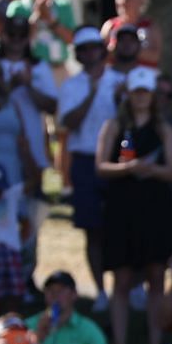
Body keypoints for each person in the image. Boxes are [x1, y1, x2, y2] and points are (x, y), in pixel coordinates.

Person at [58, 26, 118, 309]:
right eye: (85, 50)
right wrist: (91, 94)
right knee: (92, 229)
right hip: (84, 161)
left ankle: (126, 287)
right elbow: (68, 123)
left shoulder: (119, 82)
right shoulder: (71, 86)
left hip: (115, 159)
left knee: (119, 226)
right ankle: (100, 291)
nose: (91, 54)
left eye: (95, 48)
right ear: (79, 55)